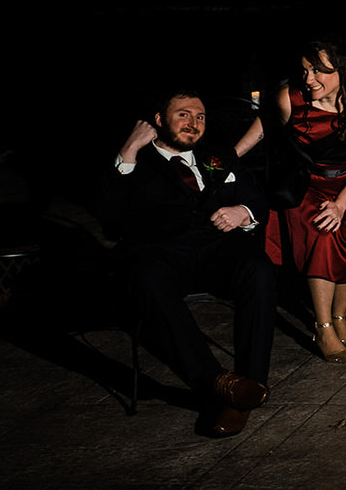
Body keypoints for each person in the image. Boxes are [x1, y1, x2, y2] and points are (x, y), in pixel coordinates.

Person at [101, 90, 276, 436]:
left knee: (259, 269)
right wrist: (128, 150)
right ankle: (217, 382)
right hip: (160, 252)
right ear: (158, 120)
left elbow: (254, 196)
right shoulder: (136, 161)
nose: (193, 123)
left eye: (200, 117)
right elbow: (108, 214)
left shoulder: (218, 154)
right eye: (183, 115)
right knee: (146, 278)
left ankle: (250, 385)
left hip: (215, 248)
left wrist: (244, 211)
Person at [264, 37, 346, 364]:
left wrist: (342, 204)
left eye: (319, 71)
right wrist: (231, 155)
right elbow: (266, 126)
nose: (309, 80)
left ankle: (340, 316)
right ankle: (321, 326)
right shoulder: (289, 96)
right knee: (322, 238)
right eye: (305, 70)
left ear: (343, 70)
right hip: (308, 183)